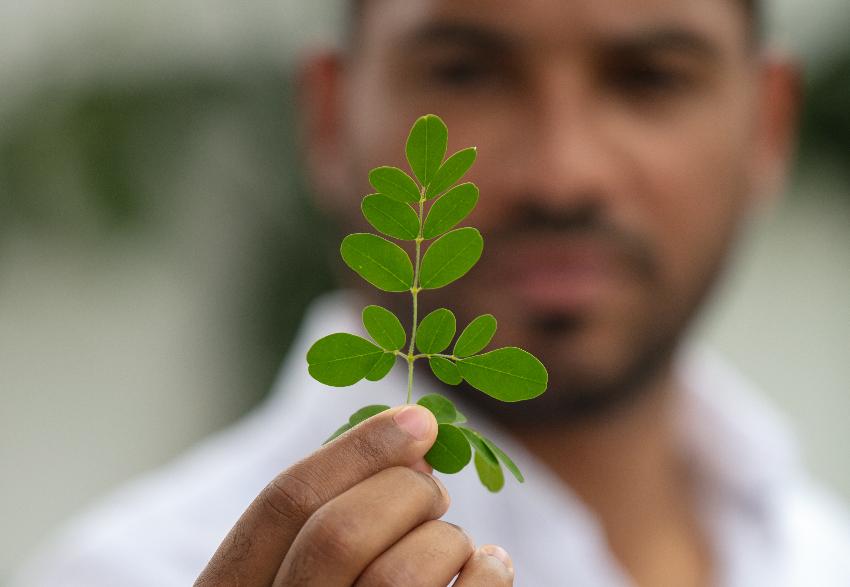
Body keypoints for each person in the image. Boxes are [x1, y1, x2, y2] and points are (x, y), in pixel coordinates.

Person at [12, 0, 850, 585]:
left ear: (768, 124)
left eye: (650, 79)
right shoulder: (138, 571)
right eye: (465, 70)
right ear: (330, 115)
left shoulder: (824, 556)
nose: (564, 173)